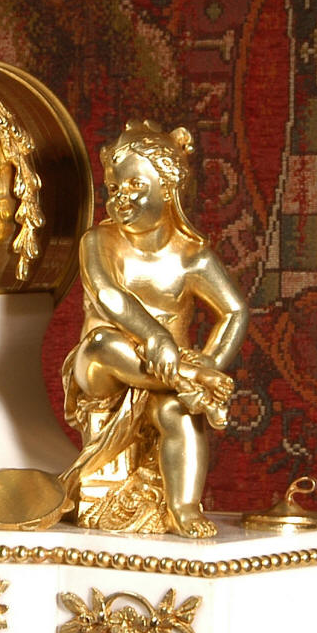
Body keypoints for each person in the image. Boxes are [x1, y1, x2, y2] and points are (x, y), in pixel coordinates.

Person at [63, 121, 248, 537]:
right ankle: (194, 381)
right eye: (114, 188)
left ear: (168, 189)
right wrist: (159, 339)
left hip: (163, 378)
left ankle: (183, 507)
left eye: (135, 186)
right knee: (101, 342)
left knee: (177, 412)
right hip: (107, 369)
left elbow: (235, 312)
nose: (121, 198)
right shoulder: (100, 241)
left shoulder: (192, 257)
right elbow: (108, 295)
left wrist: (212, 359)